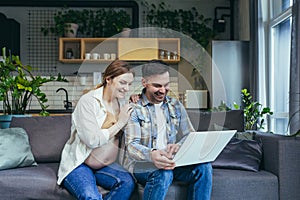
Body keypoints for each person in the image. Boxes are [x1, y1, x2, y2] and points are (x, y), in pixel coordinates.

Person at [123, 60, 212, 200]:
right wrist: (153, 155)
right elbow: (131, 146)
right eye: (157, 85)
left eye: (166, 85)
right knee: (163, 173)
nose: (163, 90)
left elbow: (190, 135)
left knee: (203, 167)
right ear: (144, 82)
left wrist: (179, 146)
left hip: (171, 161)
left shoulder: (175, 105)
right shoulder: (134, 108)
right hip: (141, 165)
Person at [57, 60, 135, 200]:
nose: (127, 88)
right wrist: (120, 123)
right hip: (80, 165)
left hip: (107, 167)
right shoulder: (88, 102)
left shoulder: (122, 103)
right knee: (90, 196)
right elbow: (92, 140)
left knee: (127, 183)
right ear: (108, 79)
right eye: (123, 83)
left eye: (129, 84)